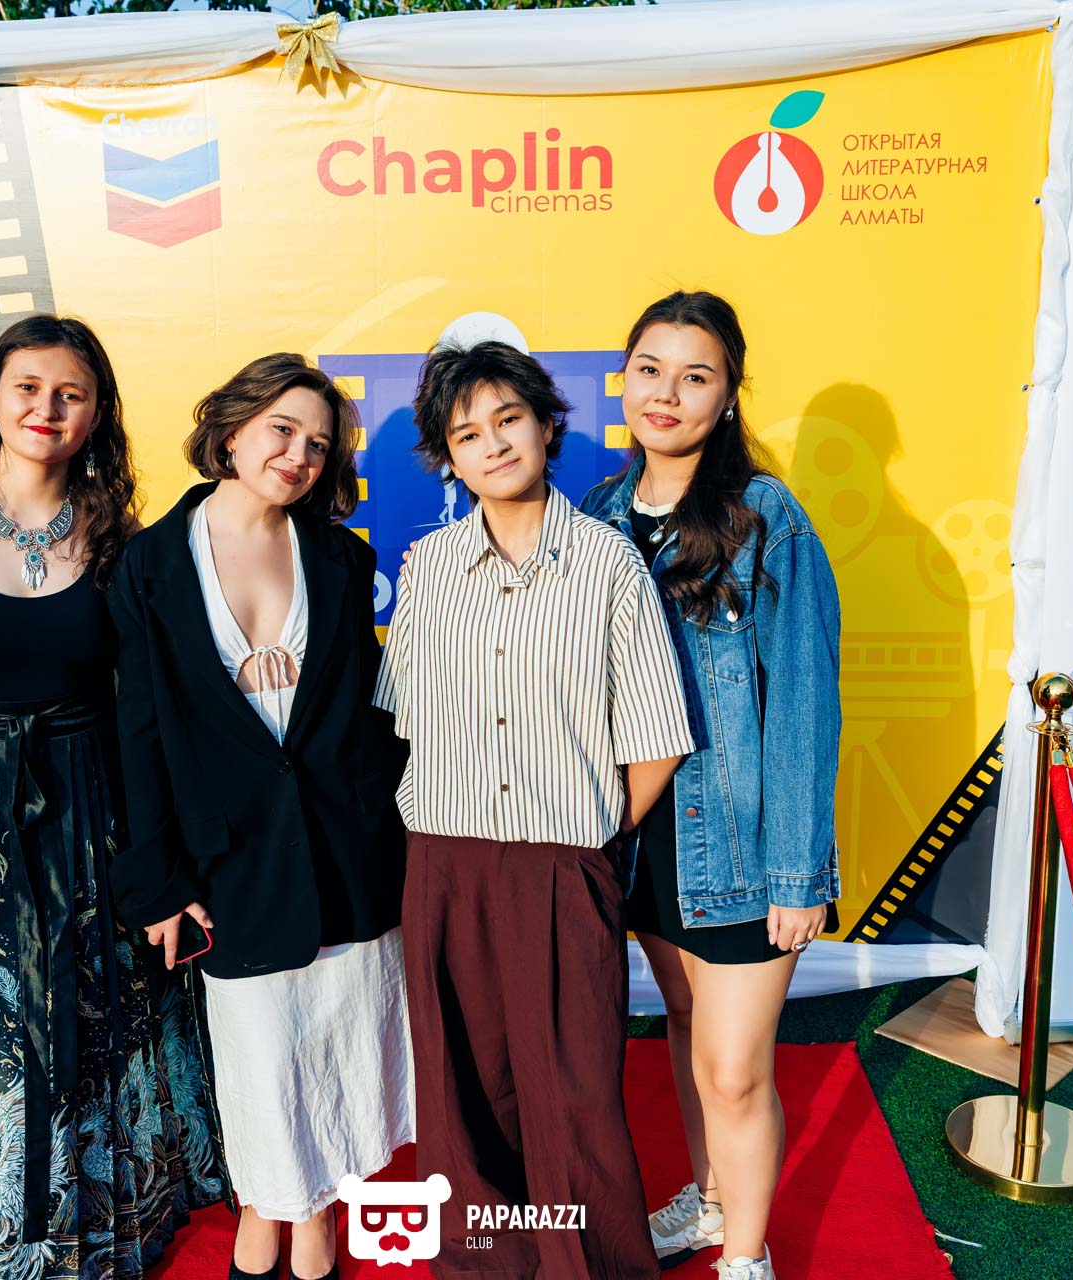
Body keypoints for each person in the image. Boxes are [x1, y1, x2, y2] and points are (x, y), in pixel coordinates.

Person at [0, 314, 228, 1279]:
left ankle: (103, 1227)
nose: (46, 408)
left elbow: (146, 708)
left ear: (97, 413)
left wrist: (163, 857)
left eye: (71, 393)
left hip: (94, 808)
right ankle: (2, 1233)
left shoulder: (121, 541)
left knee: (98, 1018)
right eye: (27, 386)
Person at [374, 339, 694, 1279]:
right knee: (461, 1087)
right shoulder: (429, 568)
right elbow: (400, 720)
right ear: (449, 459)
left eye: (508, 419)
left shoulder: (608, 563)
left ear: (547, 426)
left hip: (564, 865)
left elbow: (657, 735)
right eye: (467, 434)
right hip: (443, 860)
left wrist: (590, 834)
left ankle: (585, 1263)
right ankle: (484, 1263)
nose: (494, 444)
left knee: (573, 1089)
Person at [108, 354, 413, 1280]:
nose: (299, 455)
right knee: (261, 1058)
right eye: (282, 429)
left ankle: (308, 1226)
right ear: (232, 429)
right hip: (228, 863)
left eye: (319, 444)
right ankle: (268, 1215)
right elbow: (139, 733)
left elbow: (370, 712)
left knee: (341, 1045)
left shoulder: (342, 558)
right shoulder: (150, 565)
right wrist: (159, 883)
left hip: (347, 855)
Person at [580, 292, 842, 1280]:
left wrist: (798, 871)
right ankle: (712, 1201)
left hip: (740, 843)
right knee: (688, 1029)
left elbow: (805, 698)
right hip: (640, 841)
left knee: (734, 1070)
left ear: (728, 395)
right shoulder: (597, 515)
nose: (668, 393)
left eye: (696, 376)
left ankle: (745, 1257)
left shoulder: (766, 518)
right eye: (650, 369)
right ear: (625, 379)